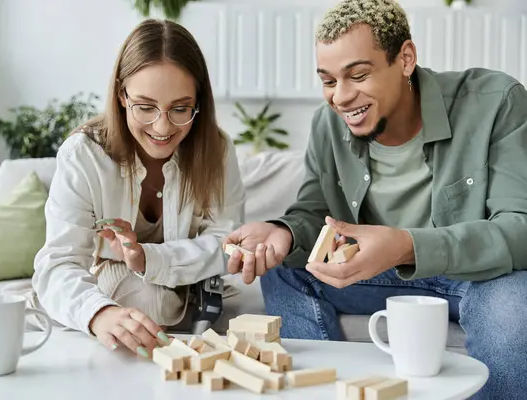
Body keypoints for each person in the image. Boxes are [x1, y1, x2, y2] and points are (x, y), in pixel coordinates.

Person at [223, 0, 527, 398]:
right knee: (286, 268)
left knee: (513, 303)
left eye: (359, 75)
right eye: (328, 81)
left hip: (477, 278)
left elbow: (519, 229)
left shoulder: (495, 101)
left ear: (405, 59)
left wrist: (405, 245)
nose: (342, 97)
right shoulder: (327, 124)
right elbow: (315, 212)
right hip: (378, 276)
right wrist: (282, 231)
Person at [30, 19, 245, 359]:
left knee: (150, 296)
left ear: (198, 102)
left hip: (186, 299)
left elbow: (228, 243)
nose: (162, 127)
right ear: (120, 94)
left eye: (180, 109)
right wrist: (99, 313)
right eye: (145, 107)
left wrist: (151, 259)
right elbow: (58, 264)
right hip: (106, 300)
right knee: (135, 292)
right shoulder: (82, 155)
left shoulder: (216, 150)